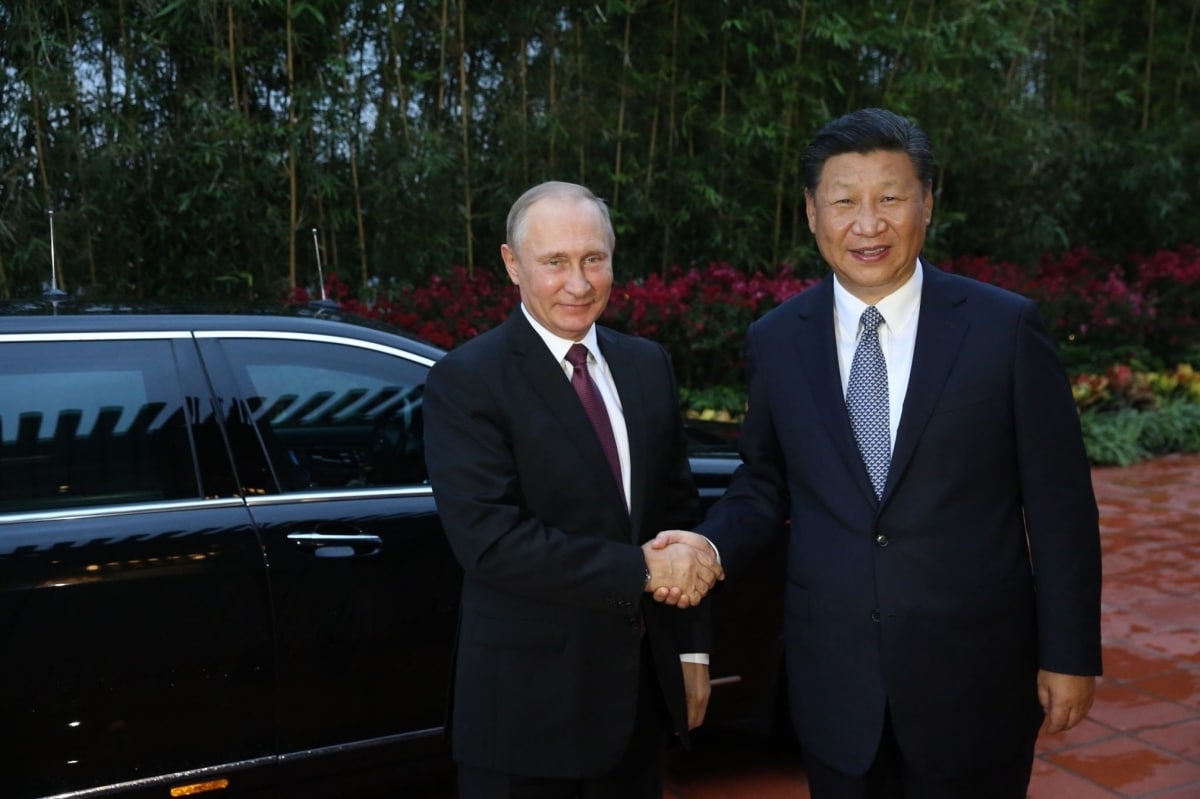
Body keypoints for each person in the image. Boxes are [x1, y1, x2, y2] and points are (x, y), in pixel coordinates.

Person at [654, 108, 1102, 798]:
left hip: (974, 681)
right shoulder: (777, 340)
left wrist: (1070, 652)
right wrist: (708, 550)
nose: (868, 224)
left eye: (890, 197)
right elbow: (765, 481)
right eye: (844, 201)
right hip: (835, 680)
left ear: (927, 202)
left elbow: (1061, 504)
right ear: (810, 212)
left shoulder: (1002, 329)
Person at [423, 180, 723, 799]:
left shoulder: (646, 366)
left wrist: (689, 655)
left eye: (594, 259)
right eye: (555, 262)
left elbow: (679, 516)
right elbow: (491, 542)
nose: (579, 283)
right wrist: (639, 569)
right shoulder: (467, 381)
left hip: (635, 708)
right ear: (512, 265)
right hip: (526, 719)